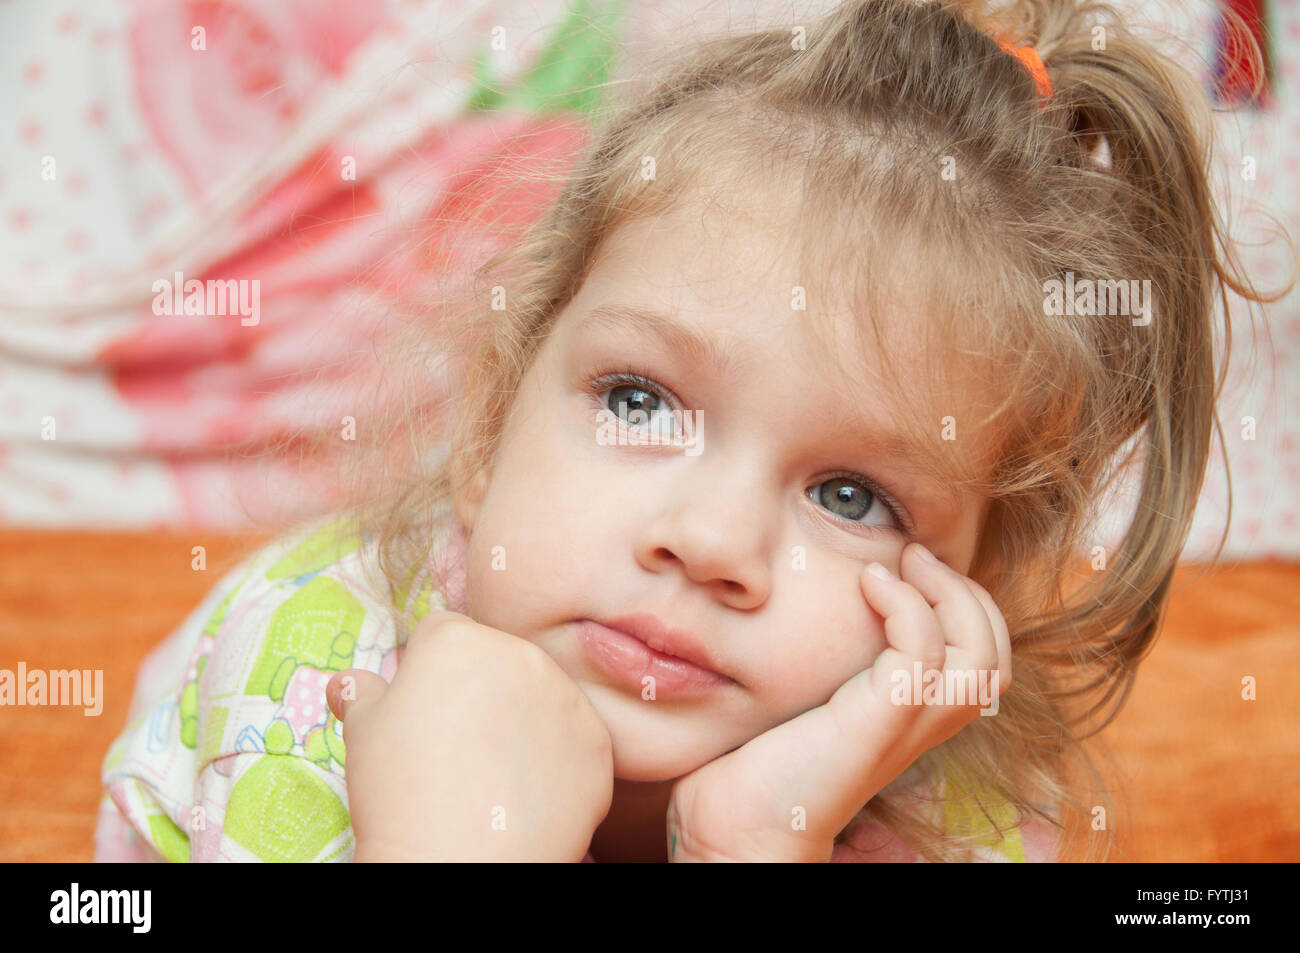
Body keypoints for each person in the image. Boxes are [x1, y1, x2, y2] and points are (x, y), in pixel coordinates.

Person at [96, 0, 1281, 862]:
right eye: (637, 401)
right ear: (489, 427)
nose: (709, 540)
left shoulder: (958, 818)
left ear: (966, 587)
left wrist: (759, 843)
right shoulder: (302, 692)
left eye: (852, 495)